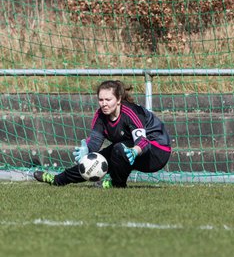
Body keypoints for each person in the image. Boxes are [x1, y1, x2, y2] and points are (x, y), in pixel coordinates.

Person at [34, 80, 171, 188]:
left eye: (108, 100)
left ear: (118, 100)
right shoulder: (100, 116)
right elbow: (94, 142)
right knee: (96, 159)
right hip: (128, 149)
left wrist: (134, 151)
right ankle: (58, 180)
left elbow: (143, 142)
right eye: (101, 100)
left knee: (118, 149)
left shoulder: (131, 112)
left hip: (157, 152)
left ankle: (118, 184)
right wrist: (87, 150)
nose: (104, 104)